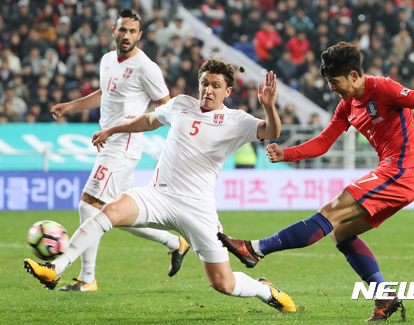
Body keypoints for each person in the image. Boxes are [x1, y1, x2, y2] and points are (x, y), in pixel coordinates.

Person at [217, 42, 414, 321]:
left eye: (335, 82)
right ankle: (384, 295)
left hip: (402, 170)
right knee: (340, 232)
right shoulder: (347, 106)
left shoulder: (383, 88)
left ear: (354, 75)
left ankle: (255, 249)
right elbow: (323, 142)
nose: (332, 88)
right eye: (329, 82)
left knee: (330, 211)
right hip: (395, 174)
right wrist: (286, 154)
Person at [24, 59, 296, 312]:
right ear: (199, 84)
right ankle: (55, 268)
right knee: (108, 211)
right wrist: (111, 130)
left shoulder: (236, 120)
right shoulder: (181, 104)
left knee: (223, 284)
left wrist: (269, 106)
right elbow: (149, 120)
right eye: (205, 83)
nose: (208, 90)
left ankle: (264, 290)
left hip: (197, 208)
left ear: (227, 91)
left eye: (216, 86)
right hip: (159, 195)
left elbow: (271, 132)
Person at [49, 8, 190, 292]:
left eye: (132, 31)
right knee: (119, 215)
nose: (126, 35)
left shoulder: (146, 67)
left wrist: (132, 122)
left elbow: (166, 105)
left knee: (88, 204)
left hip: (124, 143)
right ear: (113, 32)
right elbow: (105, 94)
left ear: (140, 35)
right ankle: (176, 242)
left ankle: (86, 278)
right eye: (122, 30)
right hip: (108, 142)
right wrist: (70, 106)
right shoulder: (106, 60)